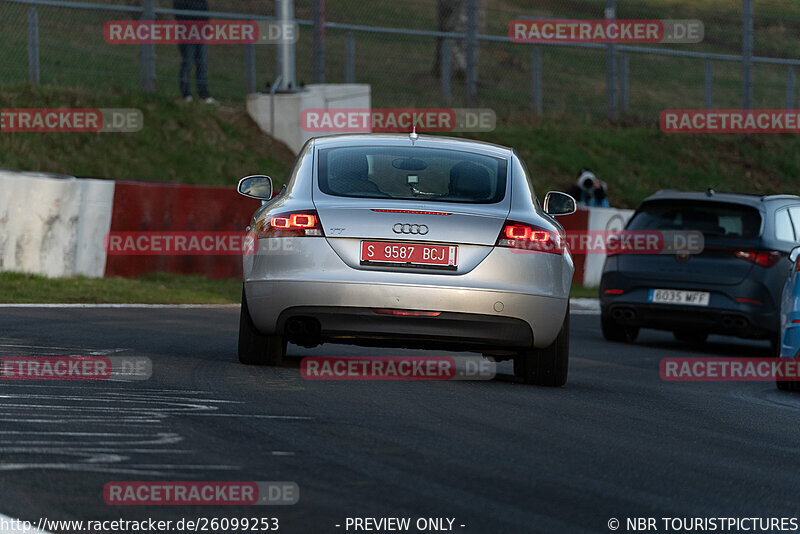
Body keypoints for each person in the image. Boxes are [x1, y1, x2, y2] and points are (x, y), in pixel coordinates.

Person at [174, 0, 217, 104]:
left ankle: (203, 94)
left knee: (202, 63)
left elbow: (205, 12)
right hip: (187, 33)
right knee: (187, 63)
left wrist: (206, 27)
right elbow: (180, 13)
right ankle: (186, 94)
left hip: (200, 33)